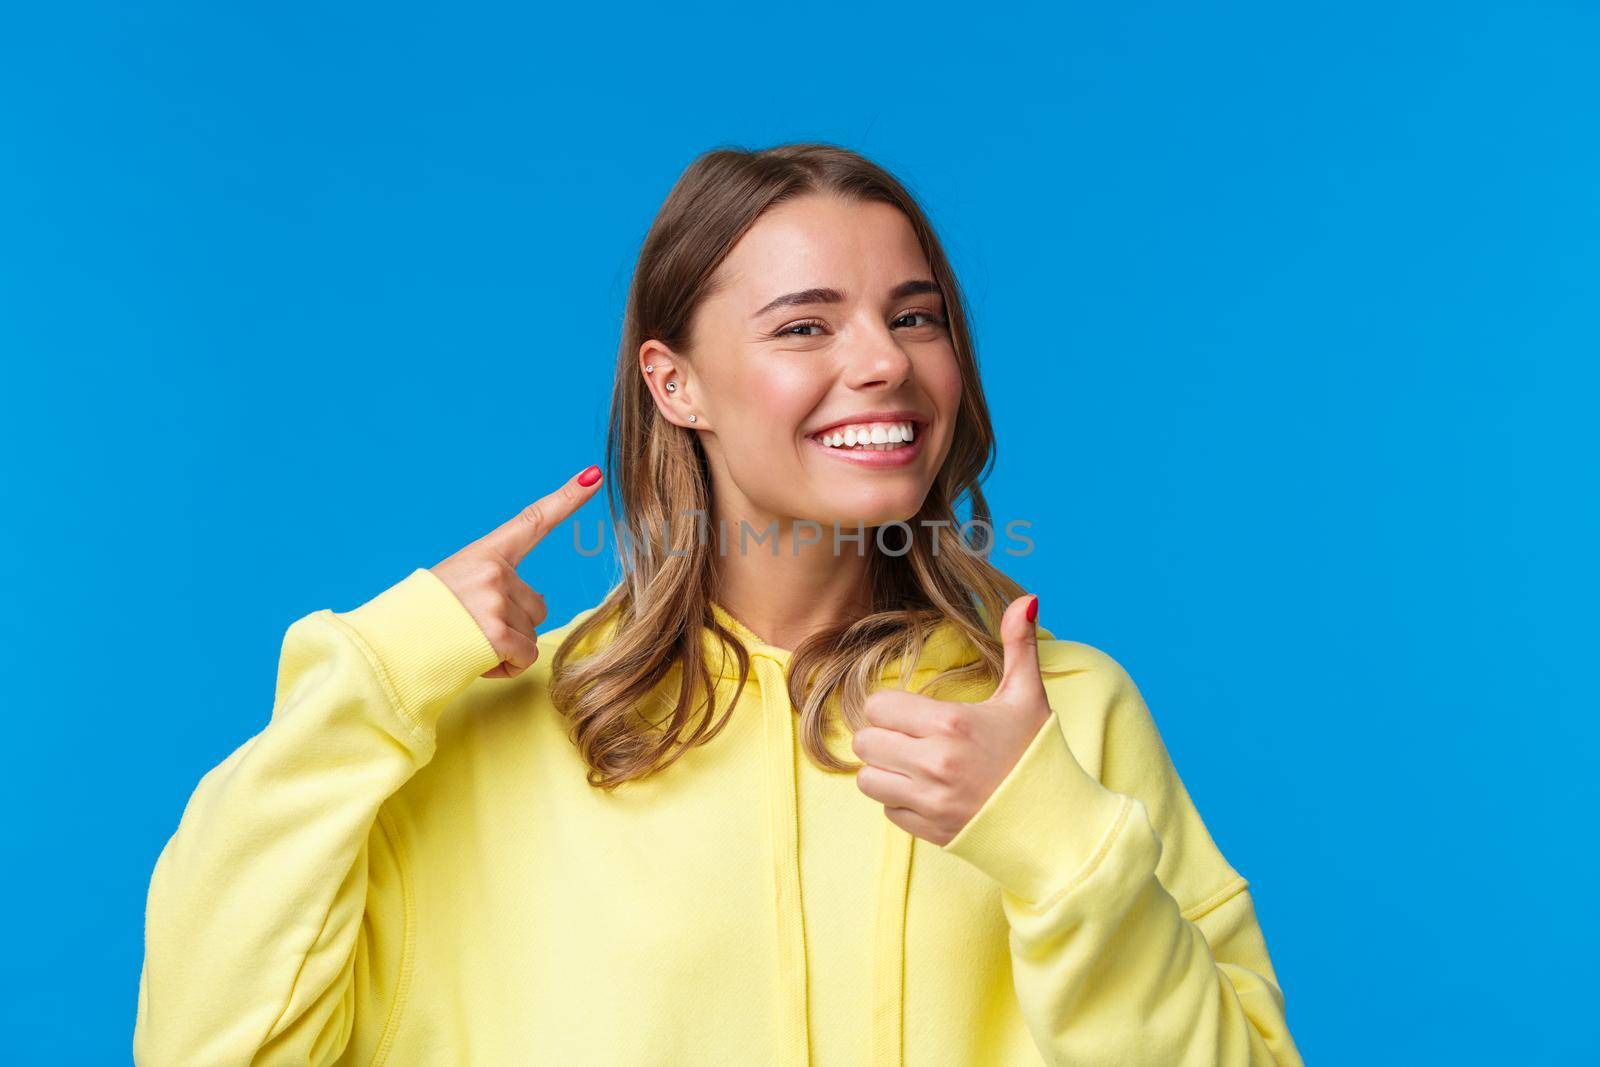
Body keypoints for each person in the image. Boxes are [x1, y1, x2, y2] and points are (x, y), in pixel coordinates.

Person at [133, 142, 1305, 1066]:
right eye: (804, 324)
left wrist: (1057, 845)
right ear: (673, 382)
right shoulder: (480, 723)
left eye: (914, 315)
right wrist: (375, 676)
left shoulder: (1058, 715)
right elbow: (207, 1045)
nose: (885, 361)